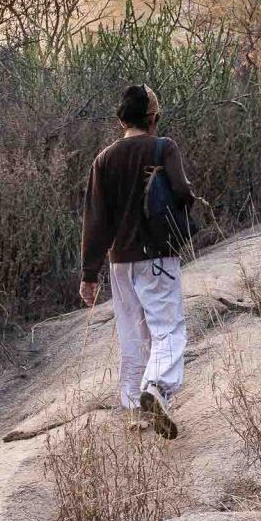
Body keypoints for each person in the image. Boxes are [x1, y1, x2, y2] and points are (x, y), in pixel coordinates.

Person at [80, 84, 194, 438]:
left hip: (119, 262)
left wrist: (88, 274)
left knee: (132, 332)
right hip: (157, 255)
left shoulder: (104, 159)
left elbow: (95, 218)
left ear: (120, 120)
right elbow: (183, 192)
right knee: (169, 329)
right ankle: (157, 387)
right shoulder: (163, 147)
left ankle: (134, 408)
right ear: (153, 116)